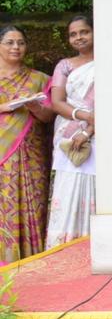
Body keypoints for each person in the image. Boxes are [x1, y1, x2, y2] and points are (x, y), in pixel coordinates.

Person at [0, 25, 54, 260]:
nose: (16, 47)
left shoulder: (39, 79)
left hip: (32, 153)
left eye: (20, 42)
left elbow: (48, 117)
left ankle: (32, 257)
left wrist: (34, 106)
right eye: (10, 42)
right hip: (3, 153)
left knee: (33, 200)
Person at [46, 15, 97, 247]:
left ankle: (95, 243)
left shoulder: (110, 61)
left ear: (95, 32)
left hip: (100, 134)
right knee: (67, 187)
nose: (79, 37)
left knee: (99, 186)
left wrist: (89, 130)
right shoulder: (65, 65)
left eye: (84, 31)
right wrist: (84, 117)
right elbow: (57, 102)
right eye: (73, 34)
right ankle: (63, 245)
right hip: (69, 132)